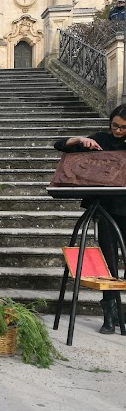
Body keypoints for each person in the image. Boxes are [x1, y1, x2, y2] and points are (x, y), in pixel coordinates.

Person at [53, 104, 126, 334]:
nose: (118, 131)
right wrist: (80, 140)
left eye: (123, 127)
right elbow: (59, 145)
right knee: (109, 263)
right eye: (114, 125)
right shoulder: (101, 139)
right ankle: (110, 314)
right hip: (106, 210)